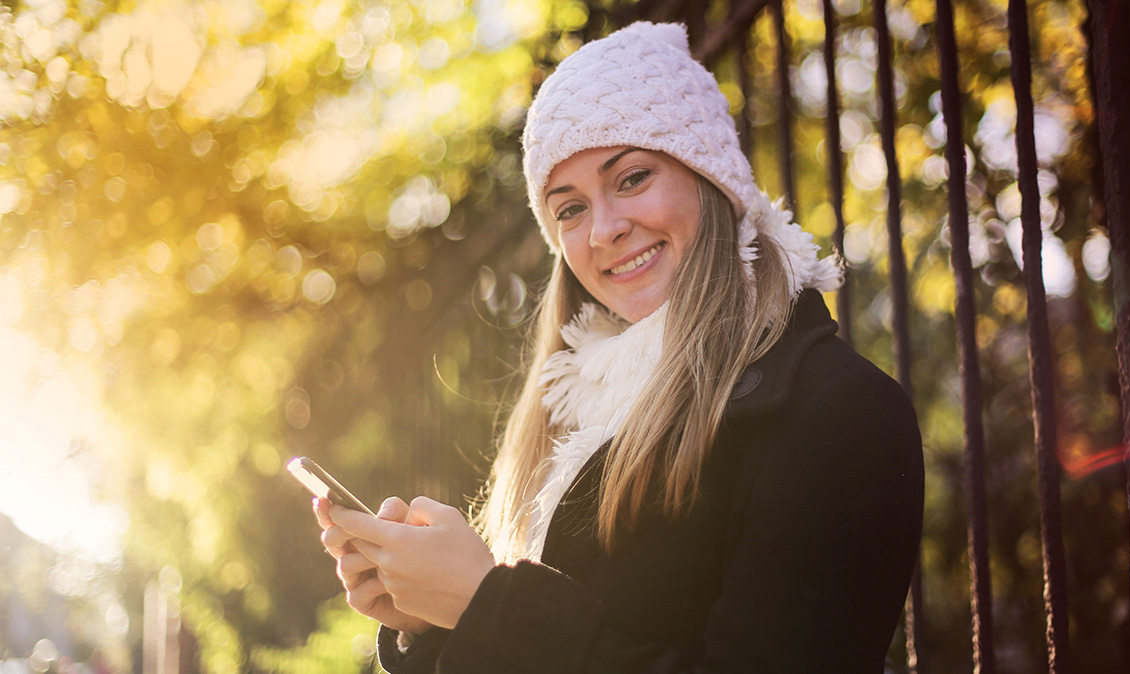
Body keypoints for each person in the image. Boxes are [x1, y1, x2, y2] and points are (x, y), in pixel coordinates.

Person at [313, 21, 924, 673]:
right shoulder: (583, 417)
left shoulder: (840, 412)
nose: (603, 229)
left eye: (631, 178)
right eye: (569, 209)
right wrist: (432, 623)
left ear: (709, 177)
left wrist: (486, 604)